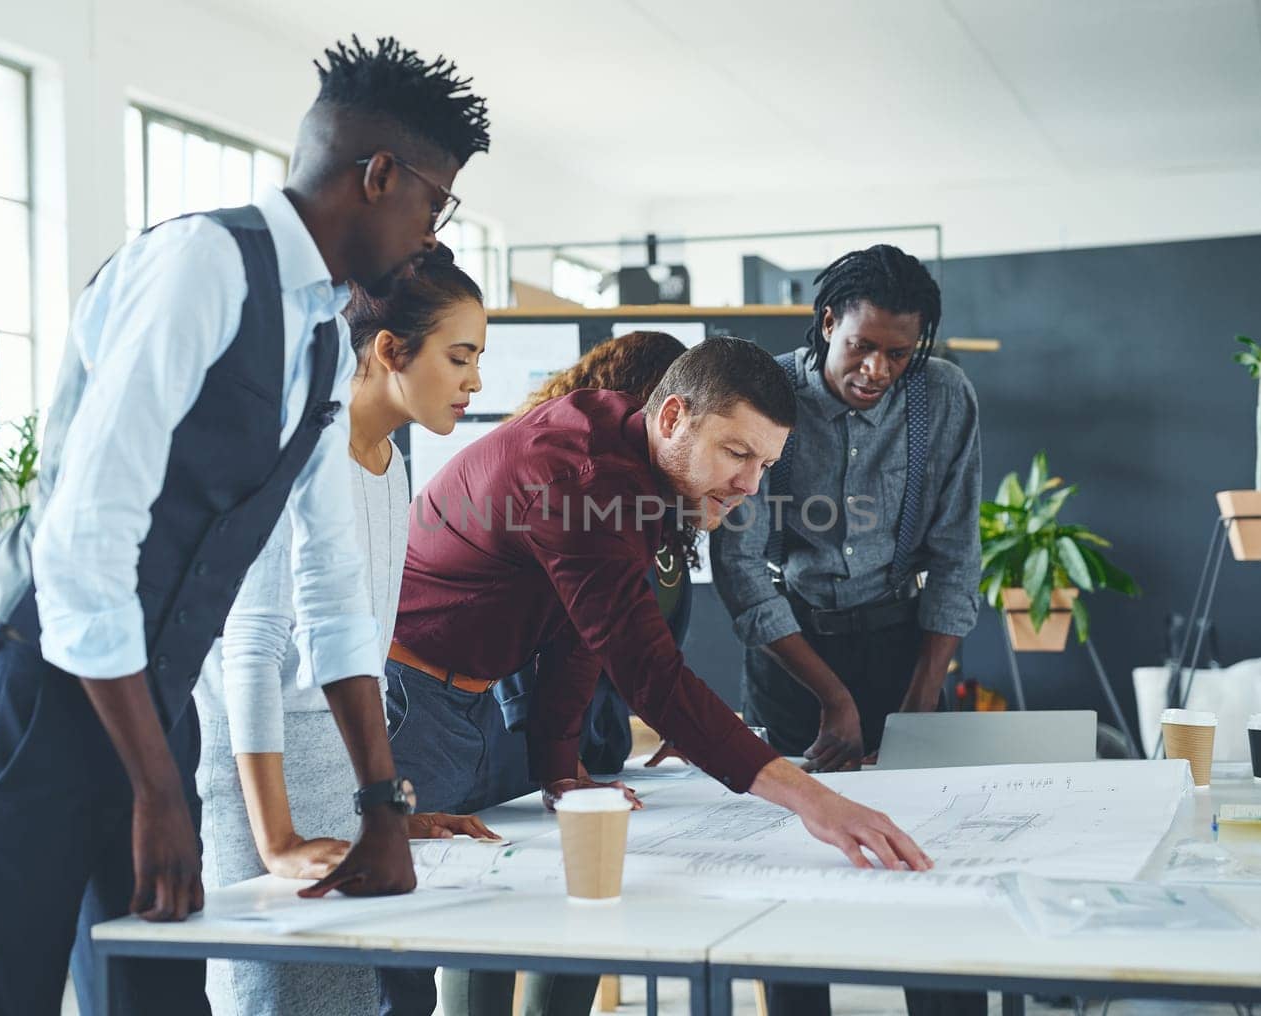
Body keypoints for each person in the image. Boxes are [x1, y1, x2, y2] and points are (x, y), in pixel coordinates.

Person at [0, 35, 490, 1016]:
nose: (431, 234)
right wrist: (158, 790)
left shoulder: (318, 334)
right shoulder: (200, 266)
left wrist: (380, 802)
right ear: (378, 175)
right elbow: (83, 541)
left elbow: (331, 585)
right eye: (433, 203)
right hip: (30, 688)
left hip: (149, 699)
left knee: (155, 999)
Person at [388, 334, 932, 877]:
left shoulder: (635, 464)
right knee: (406, 914)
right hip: (412, 700)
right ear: (672, 417)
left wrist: (558, 772)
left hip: (472, 702)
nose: (748, 485)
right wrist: (815, 801)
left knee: (495, 900)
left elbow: (580, 635)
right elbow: (648, 671)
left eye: (765, 465)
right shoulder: (584, 480)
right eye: (737, 453)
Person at [194, 248, 496, 1016]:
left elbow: (362, 653)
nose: (475, 383)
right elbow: (250, 650)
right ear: (391, 350)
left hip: (338, 764)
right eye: (459, 358)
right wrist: (276, 839)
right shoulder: (298, 445)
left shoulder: (391, 460)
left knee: (348, 999)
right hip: (259, 769)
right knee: (273, 997)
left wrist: (389, 808)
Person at [710, 244, 983, 1016]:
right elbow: (740, 568)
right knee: (796, 878)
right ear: (828, 322)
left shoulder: (945, 398)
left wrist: (921, 696)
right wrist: (832, 698)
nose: (878, 370)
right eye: (862, 346)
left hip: (903, 647)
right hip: (792, 652)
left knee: (932, 869)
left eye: (900, 352)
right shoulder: (766, 394)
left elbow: (958, 551)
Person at [449, 330, 693, 1016]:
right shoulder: (565, 476)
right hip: (522, 739)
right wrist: (555, 757)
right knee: (493, 925)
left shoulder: (655, 500)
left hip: (595, 742)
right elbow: (558, 626)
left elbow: (648, 622)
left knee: (585, 915)